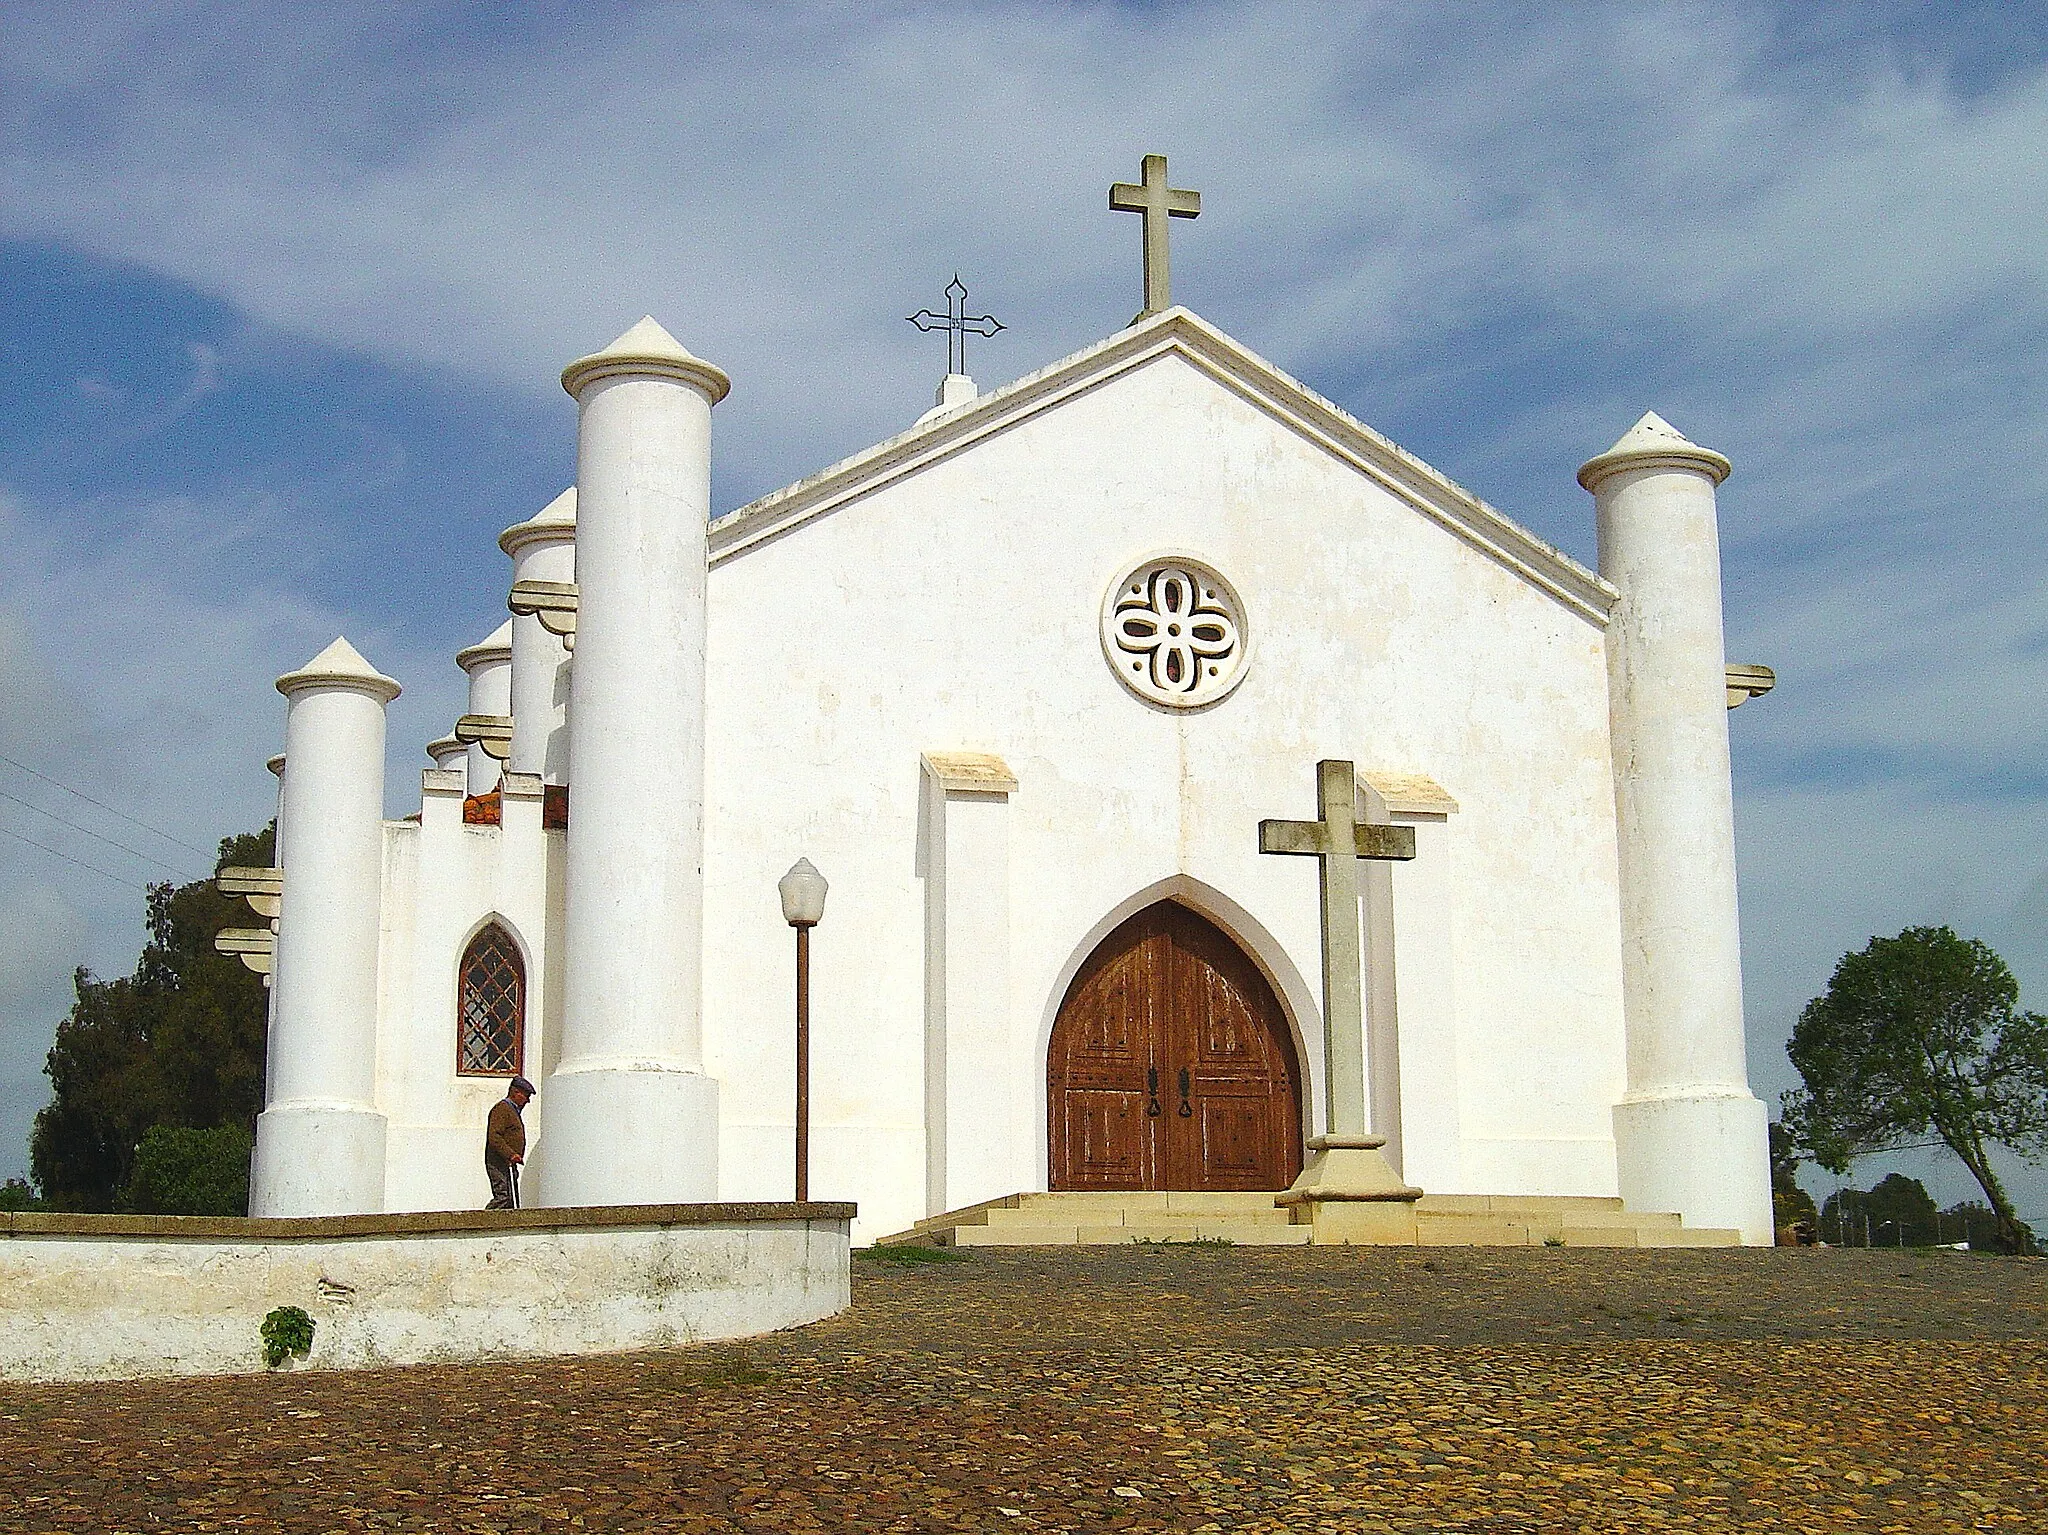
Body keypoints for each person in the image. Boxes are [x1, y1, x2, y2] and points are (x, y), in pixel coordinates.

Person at [485, 1076, 535, 1209]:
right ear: (516, 1092)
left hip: (508, 1164)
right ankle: (480, 1223)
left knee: (510, 1200)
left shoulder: (512, 1111)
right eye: (526, 1096)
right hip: (499, 1162)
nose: (528, 1101)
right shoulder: (502, 1109)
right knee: (503, 1197)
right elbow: (494, 1136)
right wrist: (510, 1154)